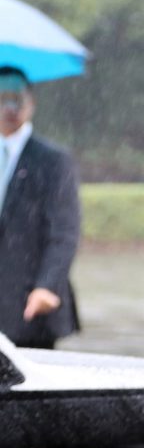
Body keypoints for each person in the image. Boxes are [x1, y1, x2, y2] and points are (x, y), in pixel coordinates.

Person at [0, 66, 81, 349]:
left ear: (31, 103)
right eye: (2, 98)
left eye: (17, 99)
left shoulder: (53, 161)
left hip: (30, 306)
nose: (10, 107)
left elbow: (64, 232)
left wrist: (46, 285)